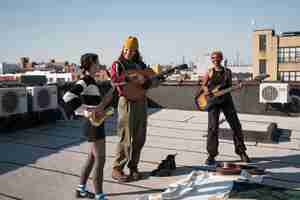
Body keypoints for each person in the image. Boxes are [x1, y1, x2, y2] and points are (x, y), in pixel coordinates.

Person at [110, 36, 160, 182]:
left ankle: (133, 167)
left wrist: (152, 81)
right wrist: (131, 78)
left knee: (139, 136)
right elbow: (114, 81)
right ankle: (117, 169)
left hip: (141, 101)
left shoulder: (141, 65)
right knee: (125, 136)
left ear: (136, 50)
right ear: (122, 49)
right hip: (126, 101)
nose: (128, 52)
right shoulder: (118, 64)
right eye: (126, 49)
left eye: (132, 50)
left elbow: (151, 82)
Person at [62, 53, 112, 200]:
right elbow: (67, 97)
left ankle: (81, 190)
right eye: (97, 63)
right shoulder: (86, 80)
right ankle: (99, 195)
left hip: (94, 123)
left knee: (92, 158)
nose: (99, 66)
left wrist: (112, 89)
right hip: (93, 125)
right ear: (90, 64)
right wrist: (86, 110)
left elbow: (99, 103)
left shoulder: (91, 80)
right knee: (100, 160)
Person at [200, 50, 250, 165]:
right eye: (213, 58)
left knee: (236, 125)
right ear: (211, 60)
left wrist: (237, 87)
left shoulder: (228, 72)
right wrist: (207, 90)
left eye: (217, 58)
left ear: (221, 58)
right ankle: (211, 155)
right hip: (213, 102)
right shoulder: (210, 71)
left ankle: (241, 152)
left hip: (226, 100)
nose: (215, 60)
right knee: (212, 128)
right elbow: (203, 85)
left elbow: (229, 86)